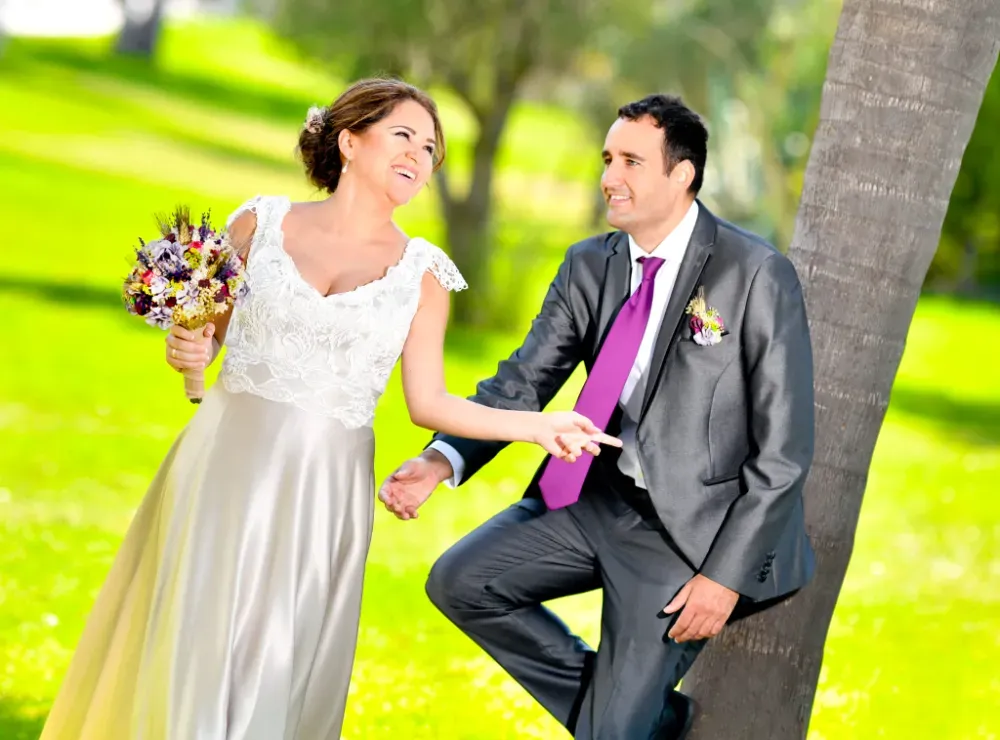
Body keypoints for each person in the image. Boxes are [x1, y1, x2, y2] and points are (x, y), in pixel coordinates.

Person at [39, 78, 620, 740]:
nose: (418, 156)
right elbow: (211, 340)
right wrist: (188, 354)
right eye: (403, 135)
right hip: (222, 463)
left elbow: (429, 402)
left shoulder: (423, 276)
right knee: (191, 634)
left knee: (279, 655)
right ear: (349, 141)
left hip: (322, 489)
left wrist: (539, 426)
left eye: (430, 148)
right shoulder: (258, 223)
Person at [379, 94, 816, 739]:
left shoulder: (755, 274)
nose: (611, 176)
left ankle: (628, 721)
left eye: (632, 161)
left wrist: (723, 577)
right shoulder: (590, 264)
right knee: (461, 582)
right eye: (608, 158)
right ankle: (651, 720)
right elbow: (525, 377)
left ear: (682, 174)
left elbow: (784, 451)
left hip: (690, 537)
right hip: (594, 497)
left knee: (611, 733)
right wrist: (442, 457)